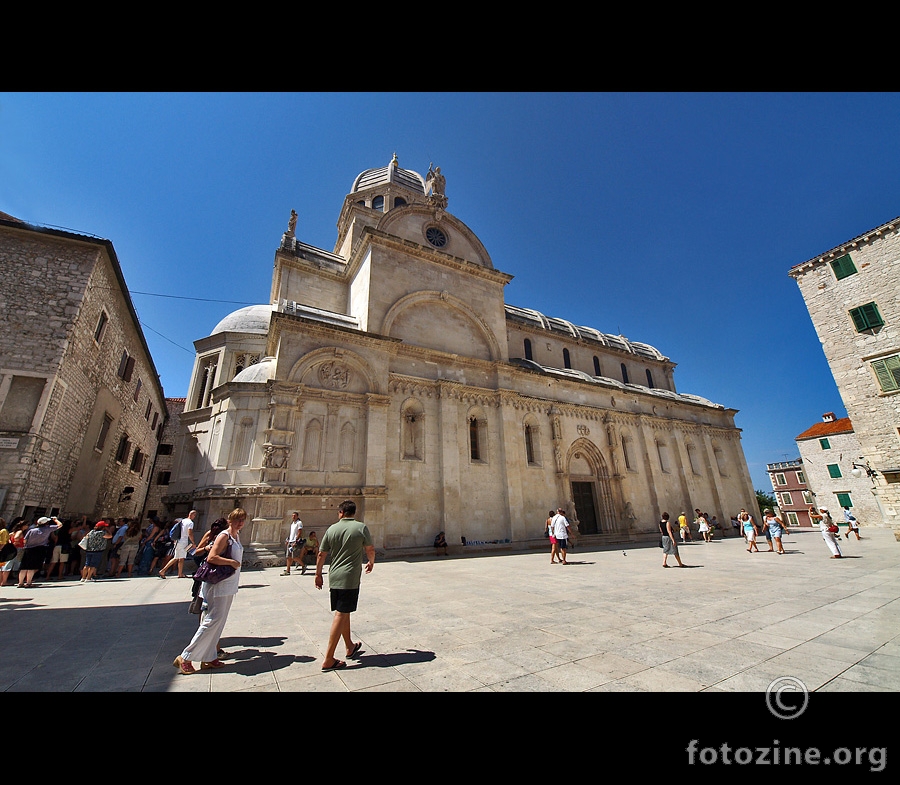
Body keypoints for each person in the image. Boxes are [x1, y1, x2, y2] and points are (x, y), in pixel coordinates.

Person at [174, 508, 246, 675]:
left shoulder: (236, 536)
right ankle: (185, 657)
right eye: (237, 520)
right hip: (217, 584)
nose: (240, 523)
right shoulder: (224, 536)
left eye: (242, 520)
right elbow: (211, 557)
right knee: (212, 620)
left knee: (219, 622)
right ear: (230, 520)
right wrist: (232, 563)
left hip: (229, 584)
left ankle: (208, 657)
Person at [315, 499, 375, 672]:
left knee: (344, 611)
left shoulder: (332, 529)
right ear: (353, 513)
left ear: (340, 512)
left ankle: (349, 646)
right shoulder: (360, 527)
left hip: (334, 576)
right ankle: (328, 658)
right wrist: (371, 562)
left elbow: (321, 554)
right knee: (341, 613)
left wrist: (318, 574)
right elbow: (370, 549)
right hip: (349, 577)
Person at [19, 516, 63, 588]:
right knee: (32, 567)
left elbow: (25, 540)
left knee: (24, 567)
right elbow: (60, 525)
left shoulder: (31, 530)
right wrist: (56, 520)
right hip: (39, 549)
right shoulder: (48, 529)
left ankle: (20, 583)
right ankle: (28, 582)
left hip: (28, 549)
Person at [159, 510, 197, 578]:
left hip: (178, 540)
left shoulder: (183, 521)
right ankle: (163, 570)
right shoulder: (190, 523)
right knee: (178, 558)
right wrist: (193, 542)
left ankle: (180, 573)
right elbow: (190, 532)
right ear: (192, 515)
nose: (194, 517)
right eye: (194, 515)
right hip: (183, 541)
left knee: (179, 558)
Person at [1, 520, 28, 587]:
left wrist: (10, 542)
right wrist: (18, 542)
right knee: (10, 565)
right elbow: (16, 537)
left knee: (6, 565)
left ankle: (2, 581)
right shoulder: (20, 531)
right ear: (23, 526)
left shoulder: (14, 532)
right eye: (27, 525)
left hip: (13, 549)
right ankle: (4, 581)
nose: (28, 526)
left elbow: (10, 536)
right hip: (17, 549)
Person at [281, 511, 304, 576]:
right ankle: (288, 570)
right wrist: (288, 539)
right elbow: (292, 533)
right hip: (290, 541)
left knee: (294, 557)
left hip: (294, 542)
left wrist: (296, 541)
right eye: (292, 516)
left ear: (297, 516)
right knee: (288, 557)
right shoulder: (292, 524)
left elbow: (299, 532)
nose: (293, 517)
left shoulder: (299, 523)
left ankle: (303, 565)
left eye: (294, 516)